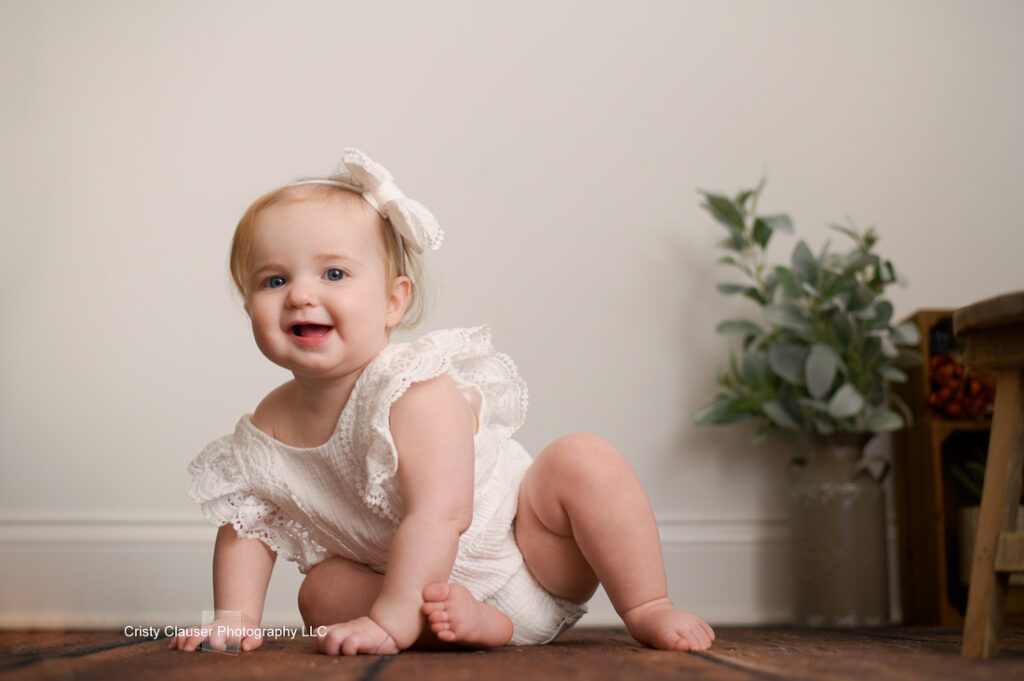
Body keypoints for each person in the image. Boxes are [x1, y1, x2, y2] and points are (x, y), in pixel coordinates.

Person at [171, 149, 714, 656]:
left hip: (531, 558)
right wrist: (234, 616)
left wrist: (391, 619)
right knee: (319, 594)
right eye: (274, 279)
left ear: (392, 301)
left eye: (334, 273)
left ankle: (648, 605)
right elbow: (249, 526)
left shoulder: (412, 386)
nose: (301, 294)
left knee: (583, 458)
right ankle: (478, 628)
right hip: (424, 601)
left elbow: (441, 514)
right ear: (250, 308)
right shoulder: (265, 431)